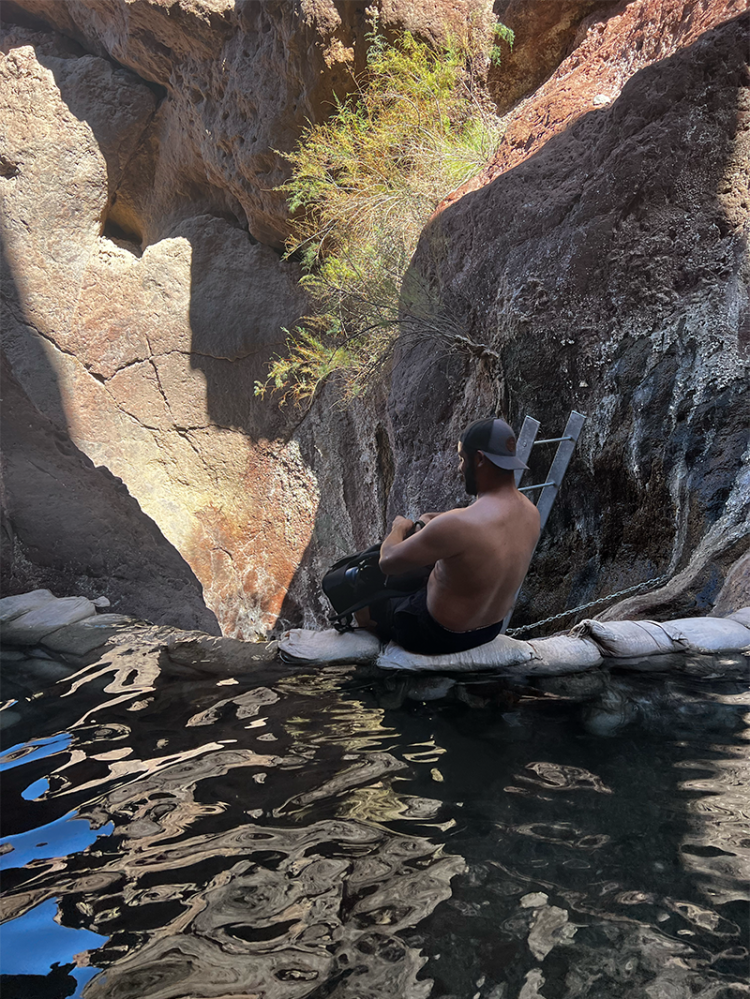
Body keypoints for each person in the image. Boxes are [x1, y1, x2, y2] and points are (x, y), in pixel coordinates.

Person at [357, 418, 541, 655]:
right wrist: (429, 520)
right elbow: (470, 528)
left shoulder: (457, 525)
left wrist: (399, 527)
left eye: (463, 459)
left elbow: (388, 562)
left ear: (480, 459)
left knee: (361, 578)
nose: (460, 468)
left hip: (435, 635)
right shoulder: (531, 513)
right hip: (489, 629)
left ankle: (371, 652)